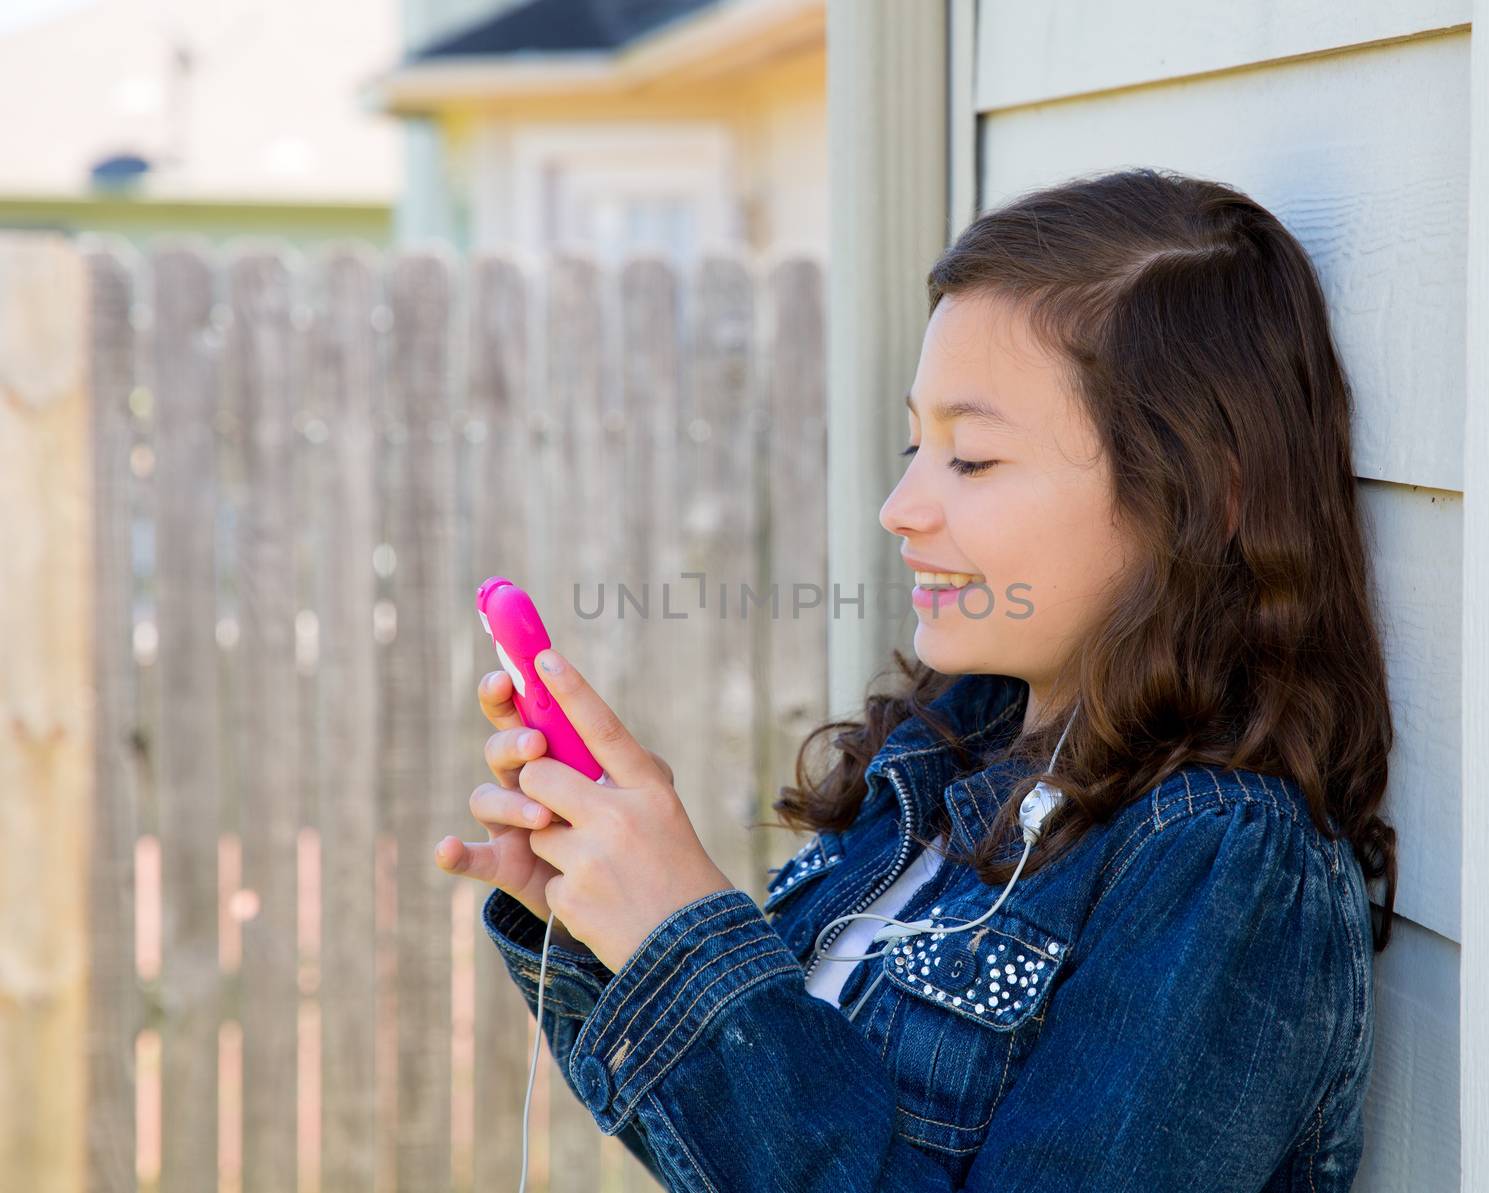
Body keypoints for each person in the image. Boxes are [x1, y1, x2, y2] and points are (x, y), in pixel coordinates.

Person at [435, 165, 1397, 1192]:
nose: (900, 504)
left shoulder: (1219, 862)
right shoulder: (941, 764)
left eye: (970, 459)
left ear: (1202, 495)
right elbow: (759, 1147)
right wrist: (606, 922)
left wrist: (682, 938)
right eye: (913, 441)